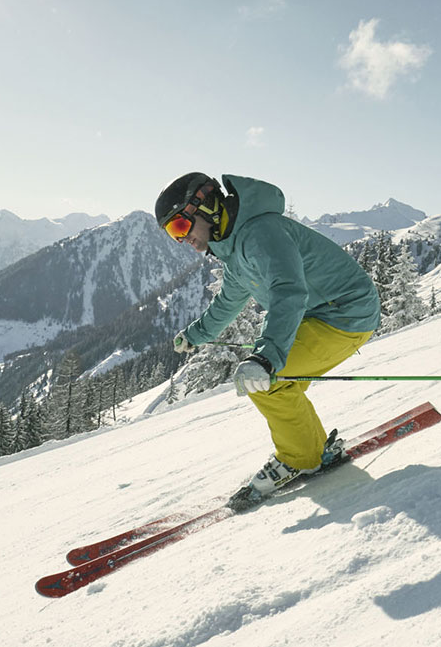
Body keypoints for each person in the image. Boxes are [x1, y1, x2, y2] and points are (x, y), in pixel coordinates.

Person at [155, 172, 381, 502]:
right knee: (279, 382)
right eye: (172, 235)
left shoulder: (262, 233)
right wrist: (196, 335)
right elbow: (229, 300)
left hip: (345, 314)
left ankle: (302, 458)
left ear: (205, 208)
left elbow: (288, 291)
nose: (182, 240)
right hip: (319, 314)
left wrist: (265, 357)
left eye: (179, 227)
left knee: (268, 381)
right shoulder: (233, 248)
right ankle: (315, 451)